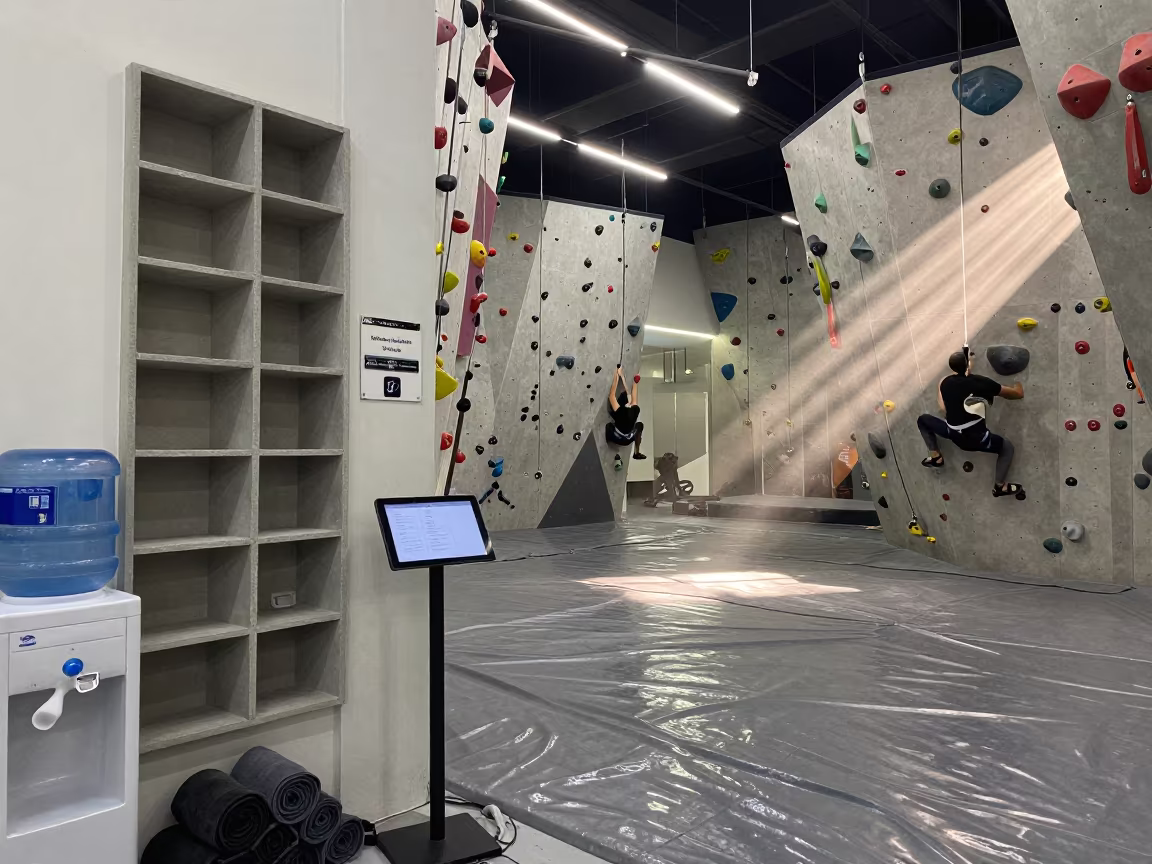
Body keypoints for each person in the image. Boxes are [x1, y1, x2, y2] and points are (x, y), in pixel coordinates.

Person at [916, 349, 1024, 497]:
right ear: (966, 365)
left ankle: (936, 457)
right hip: (977, 440)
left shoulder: (945, 382)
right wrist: (1018, 384)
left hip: (952, 433)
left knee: (923, 420)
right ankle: (1000, 486)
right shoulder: (981, 383)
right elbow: (1016, 395)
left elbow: (943, 407)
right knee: (1007, 448)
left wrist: (968, 363)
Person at [606, 365, 646, 460]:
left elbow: (611, 395)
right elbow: (632, 396)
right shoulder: (635, 409)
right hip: (628, 439)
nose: (630, 402)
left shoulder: (619, 412)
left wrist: (616, 376)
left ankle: (611, 438)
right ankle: (637, 452)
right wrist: (634, 381)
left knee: (608, 426)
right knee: (640, 425)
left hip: (618, 438)